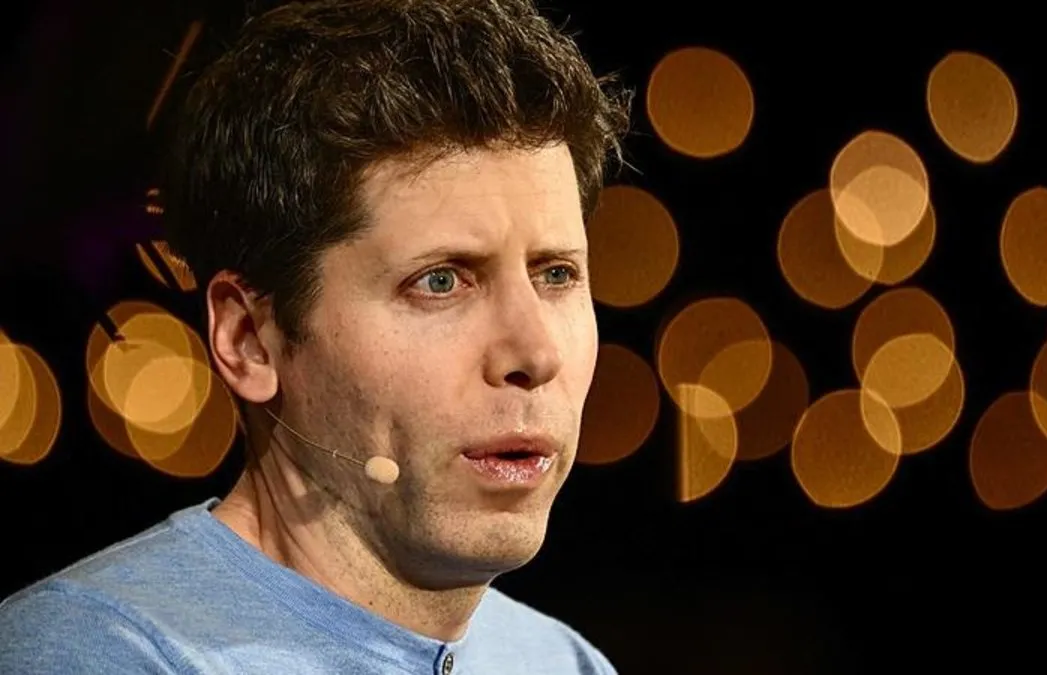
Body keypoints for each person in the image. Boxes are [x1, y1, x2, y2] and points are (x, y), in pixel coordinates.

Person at [0, 0, 631, 672]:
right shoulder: (96, 653)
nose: (535, 354)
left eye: (557, 274)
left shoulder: (566, 661)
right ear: (250, 339)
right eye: (441, 281)